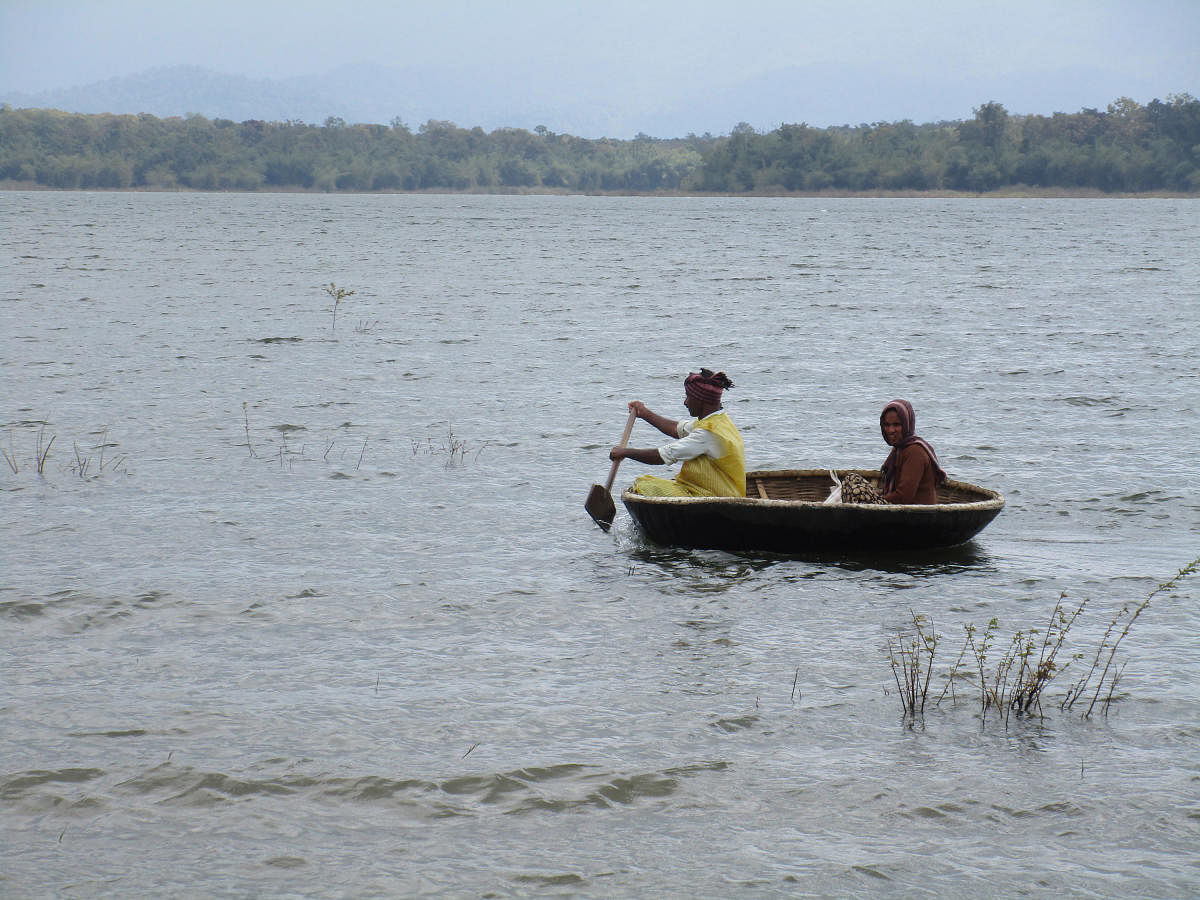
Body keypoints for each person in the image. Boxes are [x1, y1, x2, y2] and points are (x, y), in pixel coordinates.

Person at [609, 369, 746, 498]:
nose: (685, 402)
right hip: (721, 491)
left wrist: (625, 452)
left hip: (714, 496)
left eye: (688, 397)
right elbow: (676, 429)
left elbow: (661, 456)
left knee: (643, 484)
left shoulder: (707, 433)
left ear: (700, 400)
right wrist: (644, 413)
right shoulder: (718, 420)